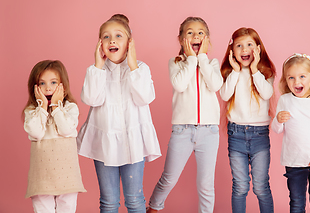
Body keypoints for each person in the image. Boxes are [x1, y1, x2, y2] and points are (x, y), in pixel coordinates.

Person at [77, 14, 161, 213]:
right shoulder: (97, 70)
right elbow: (91, 99)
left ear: (129, 42)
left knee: (134, 200)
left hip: (133, 145)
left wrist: (132, 64)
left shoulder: (140, 68)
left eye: (118, 36)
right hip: (104, 145)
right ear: (100, 44)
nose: (111, 40)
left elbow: (144, 98)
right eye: (105, 37)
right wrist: (97, 65)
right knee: (108, 201)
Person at [147, 17, 223, 213]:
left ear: (207, 39)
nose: (195, 35)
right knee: (169, 177)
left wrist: (202, 59)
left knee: (206, 185)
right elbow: (179, 85)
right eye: (189, 32)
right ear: (181, 40)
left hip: (209, 132)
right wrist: (191, 60)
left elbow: (215, 85)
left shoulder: (212, 63)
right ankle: (154, 207)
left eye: (200, 32)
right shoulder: (176, 63)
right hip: (182, 130)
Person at [220, 28, 276, 213]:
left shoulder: (265, 72)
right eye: (239, 46)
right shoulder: (231, 73)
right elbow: (225, 94)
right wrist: (236, 72)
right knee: (240, 186)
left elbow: (267, 93)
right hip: (236, 134)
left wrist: (254, 70)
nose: (244, 49)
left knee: (261, 186)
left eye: (249, 45)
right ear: (232, 51)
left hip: (259, 136)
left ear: (258, 49)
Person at [272, 53, 310, 213]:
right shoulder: (285, 100)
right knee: (296, 204)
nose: (296, 82)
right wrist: (278, 119)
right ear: (285, 80)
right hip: (294, 162)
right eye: (291, 77)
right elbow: (277, 129)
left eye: (302, 76)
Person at [24, 60, 86, 213]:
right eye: (42, 83)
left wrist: (57, 107)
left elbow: (65, 130)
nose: (48, 88)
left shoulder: (70, 108)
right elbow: (36, 133)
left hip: (67, 176)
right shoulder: (32, 111)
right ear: (35, 87)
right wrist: (43, 108)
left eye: (53, 82)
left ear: (63, 85)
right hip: (41, 177)